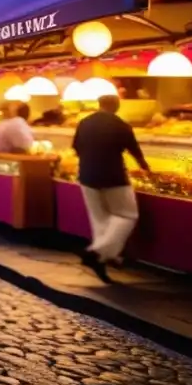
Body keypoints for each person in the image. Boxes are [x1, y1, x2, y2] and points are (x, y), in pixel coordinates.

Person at [73, 94, 149, 282]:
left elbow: (76, 147)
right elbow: (135, 151)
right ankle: (97, 252)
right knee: (127, 215)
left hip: (87, 176)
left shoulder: (84, 123)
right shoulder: (121, 125)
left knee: (101, 220)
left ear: (99, 105)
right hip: (113, 177)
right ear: (116, 106)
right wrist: (145, 167)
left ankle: (107, 258)